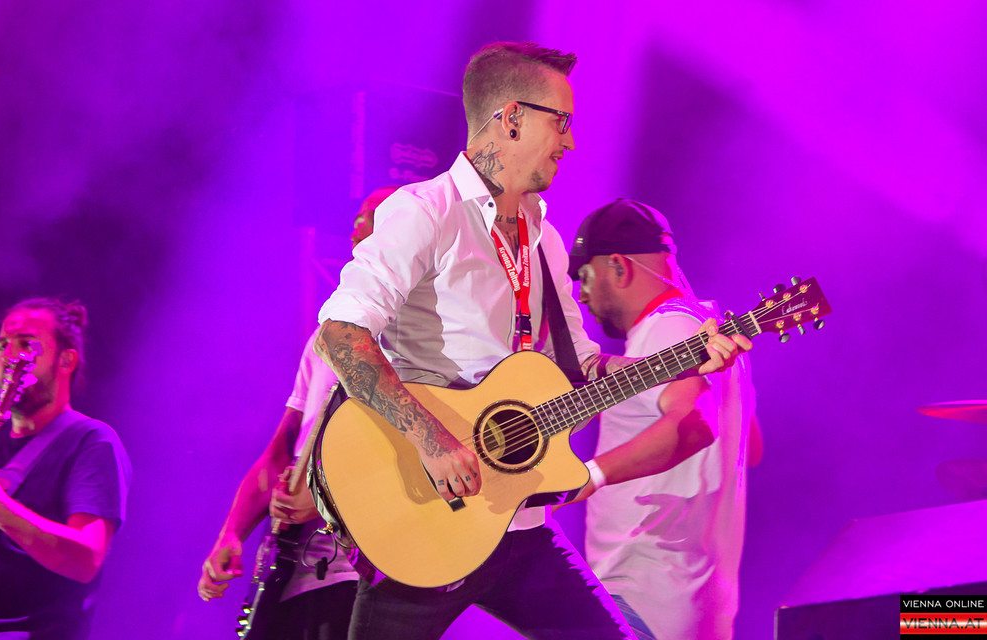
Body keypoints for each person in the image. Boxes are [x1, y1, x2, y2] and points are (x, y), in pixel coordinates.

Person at [313, 42, 751, 640]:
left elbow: (583, 366)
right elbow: (341, 334)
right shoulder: (425, 212)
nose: (569, 141)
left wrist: (682, 362)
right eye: (561, 122)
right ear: (512, 118)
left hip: (522, 524)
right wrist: (432, 439)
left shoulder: (544, 237)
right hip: (426, 518)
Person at [197, 186, 397, 639]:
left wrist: (328, 502)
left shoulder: (421, 344)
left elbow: (415, 460)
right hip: (290, 574)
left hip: (362, 577)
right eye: (358, 218)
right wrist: (232, 533)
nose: (356, 227)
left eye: (372, 216)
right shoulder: (325, 338)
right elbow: (280, 453)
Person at [567, 199, 762, 640]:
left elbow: (693, 424)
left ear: (618, 267)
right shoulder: (707, 329)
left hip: (642, 596)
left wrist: (586, 477)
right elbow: (750, 449)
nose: (581, 294)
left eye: (585, 276)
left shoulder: (666, 331)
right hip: (697, 608)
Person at [0, 298, 132, 639]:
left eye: (27, 344)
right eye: (3, 346)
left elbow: (86, 559)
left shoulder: (92, 442)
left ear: (66, 360)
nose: (10, 356)